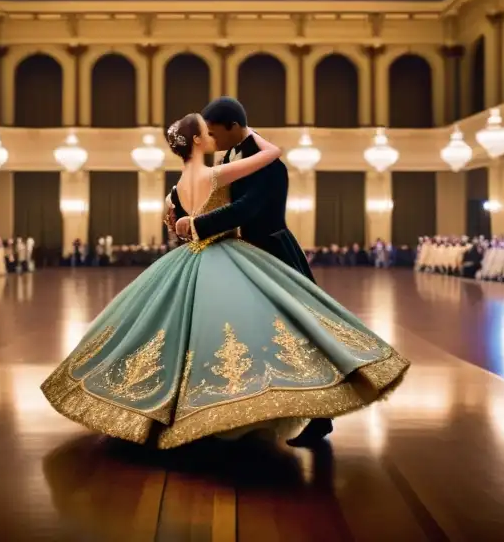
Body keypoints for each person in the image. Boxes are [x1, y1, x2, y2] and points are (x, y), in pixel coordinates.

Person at [41, 110, 409, 451]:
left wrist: (187, 225)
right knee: (247, 331)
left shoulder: (177, 186)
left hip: (204, 257)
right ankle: (237, 410)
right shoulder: (217, 172)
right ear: (199, 142)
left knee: (197, 335)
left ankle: (192, 414)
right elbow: (267, 162)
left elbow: (179, 224)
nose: (213, 137)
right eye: (207, 133)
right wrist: (253, 139)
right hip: (231, 253)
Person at [174, 96, 333, 446]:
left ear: (233, 127)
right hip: (242, 255)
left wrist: (197, 224)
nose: (211, 141)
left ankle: (321, 416)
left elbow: (247, 208)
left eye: (215, 133)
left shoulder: (268, 165)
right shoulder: (232, 156)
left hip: (272, 251)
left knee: (300, 331)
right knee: (248, 335)